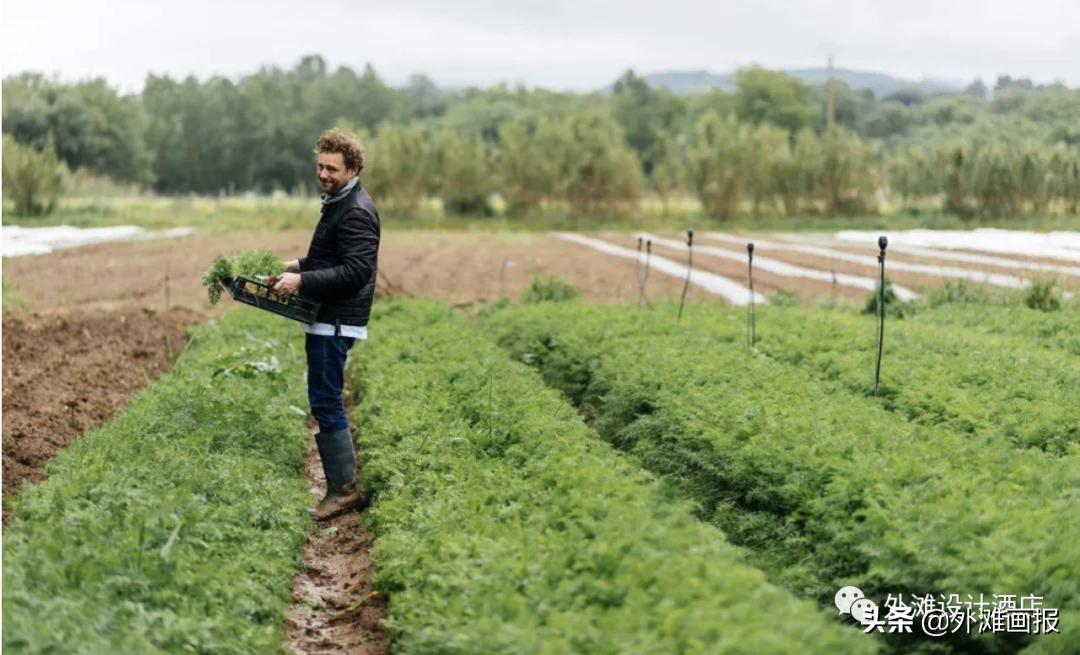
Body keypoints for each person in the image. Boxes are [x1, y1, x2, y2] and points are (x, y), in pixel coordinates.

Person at [274, 128, 380, 521]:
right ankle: (341, 486)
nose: (323, 173)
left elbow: (355, 271)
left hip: (335, 321)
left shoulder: (355, 210)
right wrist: (291, 266)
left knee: (326, 400)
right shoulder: (340, 201)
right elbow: (331, 258)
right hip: (327, 317)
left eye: (332, 168)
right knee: (325, 398)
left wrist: (301, 281)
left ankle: (342, 491)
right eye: (319, 165)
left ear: (352, 169)